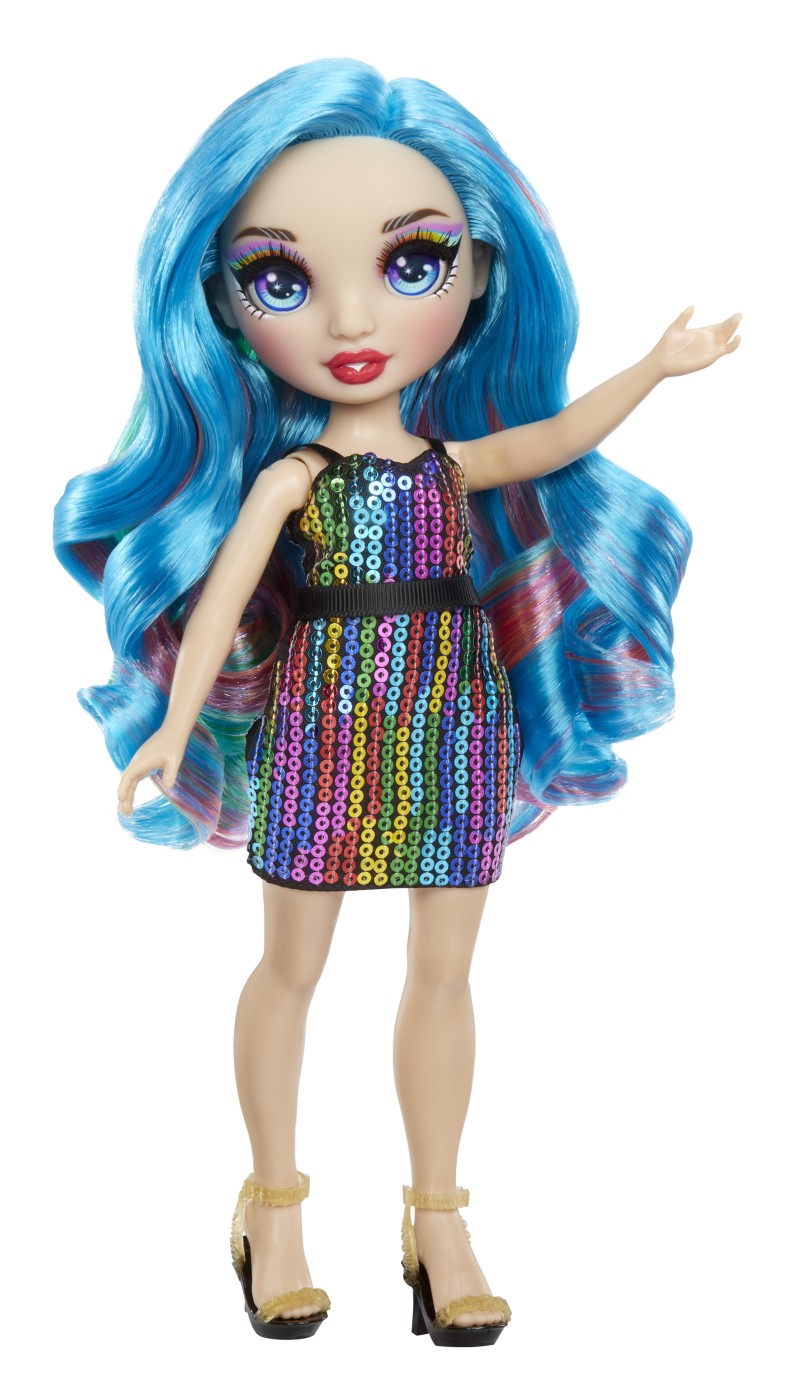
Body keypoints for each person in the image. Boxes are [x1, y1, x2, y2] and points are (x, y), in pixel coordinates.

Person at [53, 58, 740, 1346]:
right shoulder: (292, 478)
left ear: (480, 277)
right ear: (221, 303)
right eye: (282, 279)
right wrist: (169, 730)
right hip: (323, 733)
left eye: (413, 262)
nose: (353, 316)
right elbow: (219, 608)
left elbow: (554, 442)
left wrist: (656, 366)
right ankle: (273, 1207)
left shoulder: (451, 463)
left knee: (446, 973)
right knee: (292, 965)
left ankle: (438, 1219)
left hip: (454, 729)